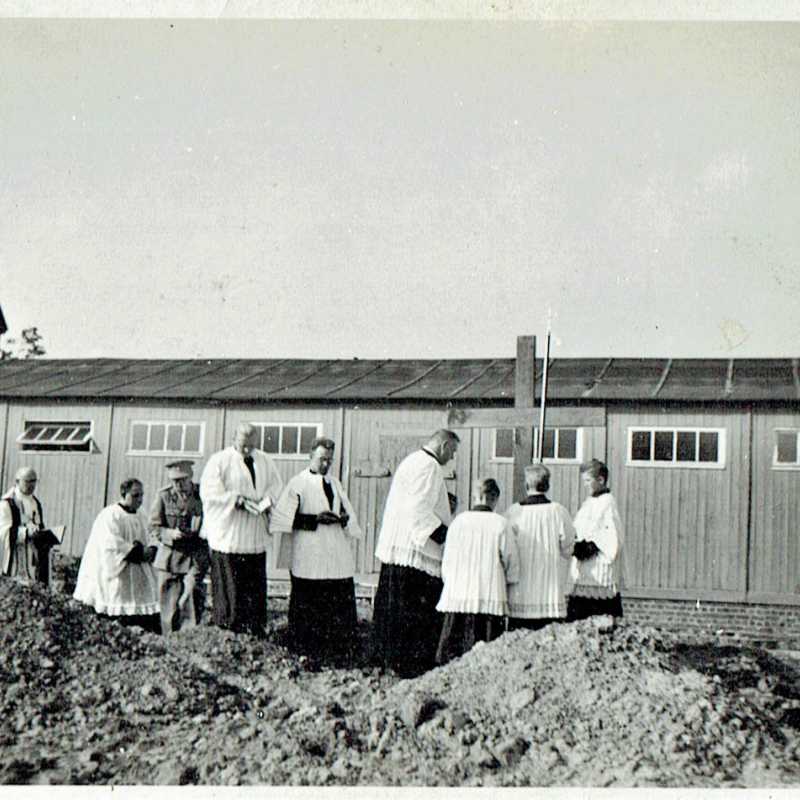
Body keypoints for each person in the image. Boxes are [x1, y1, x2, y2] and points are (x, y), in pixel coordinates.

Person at [371, 429, 459, 677]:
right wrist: (445, 536)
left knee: (395, 609)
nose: (451, 458)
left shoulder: (412, 461)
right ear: (442, 446)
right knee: (413, 613)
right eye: (452, 451)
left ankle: (389, 659)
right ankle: (410, 665)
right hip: (414, 550)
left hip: (400, 547)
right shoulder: (428, 466)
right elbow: (418, 509)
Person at [271, 437, 363, 664]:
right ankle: (307, 649)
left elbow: (347, 512)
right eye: (322, 459)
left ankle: (339, 650)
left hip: (333, 549)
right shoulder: (298, 483)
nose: (325, 464)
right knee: (309, 601)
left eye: (329, 460)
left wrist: (342, 518)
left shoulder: (335, 483)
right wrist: (315, 518)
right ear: (310, 457)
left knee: (338, 595)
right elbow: (282, 520)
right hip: (309, 550)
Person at [199, 422, 283, 637]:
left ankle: (254, 629)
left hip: (254, 532)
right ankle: (228, 628)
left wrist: (266, 501)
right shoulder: (219, 461)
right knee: (230, 586)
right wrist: (235, 500)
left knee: (253, 586)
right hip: (230, 533)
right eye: (243, 445)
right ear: (234, 439)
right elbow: (209, 492)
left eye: (251, 446)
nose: (247, 450)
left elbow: (276, 486)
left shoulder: (265, 461)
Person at [435, 477, 520, 666]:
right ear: (494, 498)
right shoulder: (501, 523)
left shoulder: (458, 522)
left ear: (475, 497)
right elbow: (510, 560)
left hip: (459, 594)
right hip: (488, 594)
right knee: (486, 655)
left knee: (453, 655)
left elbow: (447, 560)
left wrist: (449, 581)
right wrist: (509, 580)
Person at [73, 478, 160, 633]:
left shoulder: (142, 514)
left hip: (139, 571)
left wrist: (152, 548)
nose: (139, 500)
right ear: (123, 494)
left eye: (141, 495)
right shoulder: (110, 515)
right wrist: (137, 552)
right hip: (119, 569)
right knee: (118, 599)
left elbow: (151, 533)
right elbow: (110, 543)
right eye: (135, 496)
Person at [505, 464, 576, 631]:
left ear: (526, 485)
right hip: (549, 593)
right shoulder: (559, 511)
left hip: (520, 593)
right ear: (547, 485)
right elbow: (568, 549)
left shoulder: (513, 512)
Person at [148, 459, 208, 633]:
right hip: (170, 557)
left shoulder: (203, 494)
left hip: (194, 556)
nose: (178, 484)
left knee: (190, 598)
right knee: (169, 604)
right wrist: (169, 534)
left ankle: (189, 638)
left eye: (182, 480)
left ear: (190, 477)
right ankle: (169, 638)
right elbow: (153, 526)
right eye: (174, 481)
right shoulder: (163, 496)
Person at [567, 459, 625, 622]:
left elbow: (612, 538)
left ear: (600, 480)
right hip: (584, 571)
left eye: (587, 480)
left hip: (599, 571)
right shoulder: (590, 502)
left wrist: (590, 547)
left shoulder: (607, 503)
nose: (585, 485)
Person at [0, 467, 58, 584]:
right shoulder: (7, 503)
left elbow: (39, 525)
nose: (32, 485)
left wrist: (46, 535)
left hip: (33, 556)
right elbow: (2, 531)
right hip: (15, 557)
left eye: (34, 481)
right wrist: (25, 532)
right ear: (17, 481)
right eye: (27, 481)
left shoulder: (35, 503)